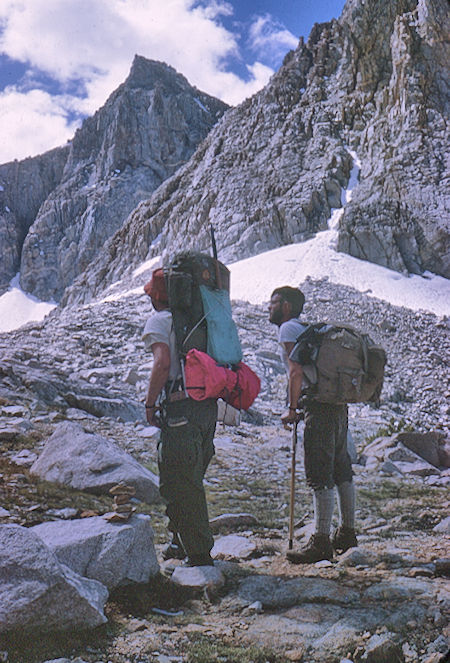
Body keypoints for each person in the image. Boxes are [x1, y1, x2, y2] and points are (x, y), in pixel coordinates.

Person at [269, 286, 357, 563]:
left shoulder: (287, 330)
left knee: (319, 472)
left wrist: (292, 409)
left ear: (286, 306)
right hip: (337, 404)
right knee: (341, 468)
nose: (268, 308)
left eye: (273, 303)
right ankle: (346, 532)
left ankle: (320, 541)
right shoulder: (309, 330)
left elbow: (295, 371)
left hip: (317, 406)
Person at [142, 267, 217, 567]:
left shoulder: (160, 321)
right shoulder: (199, 321)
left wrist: (149, 405)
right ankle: (180, 541)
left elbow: (162, 364)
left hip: (179, 409)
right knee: (190, 475)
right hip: (206, 408)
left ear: (158, 297)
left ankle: (198, 555)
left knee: (178, 481)